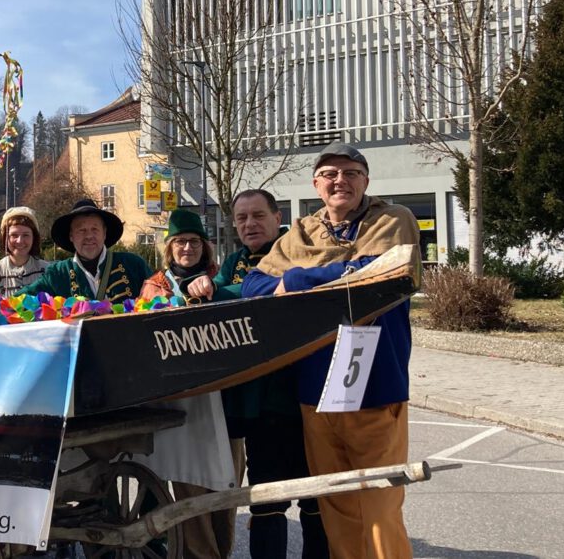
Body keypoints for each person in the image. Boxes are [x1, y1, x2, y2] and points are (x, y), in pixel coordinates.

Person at [242, 142, 420, 559]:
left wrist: (296, 282)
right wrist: (328, 278)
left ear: (366, 181)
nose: (340, 181)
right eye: (330, 174)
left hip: (375, 384)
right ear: (316, 184)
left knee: (378, 505)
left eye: (350, 173)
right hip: (317, 390)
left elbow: (378, 273)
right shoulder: (302, 232)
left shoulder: (393, 219)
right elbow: (254, 286)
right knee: (335, 505)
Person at [219, 190, 328, 559]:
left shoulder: (298, 249)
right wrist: (203, 287)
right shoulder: (232, 262)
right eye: (241, 218)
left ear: (276, 216)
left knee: (315, 495)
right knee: (266, 497)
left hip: (304, 394)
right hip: (259, 402)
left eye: (257, 216)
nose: (249, 224)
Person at [139, 209, 238, 559]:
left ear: (204, 247)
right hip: (181, 400)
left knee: (226, 480)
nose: (187, 248)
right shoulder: (155, 286)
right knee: (189, 480)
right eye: (180, 241)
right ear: (170, 247)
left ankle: (221, 549)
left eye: (194, 241)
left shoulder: (220, 278)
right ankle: (199, 554)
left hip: (225, 398)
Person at [18, 199, 150, 300]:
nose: (89, 236)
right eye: (81, 230)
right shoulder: (58, 274)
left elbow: (161, 302)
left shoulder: (134, 265)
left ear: (104, 233)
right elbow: (19, 301)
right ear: (71, 236)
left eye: (95, 229)